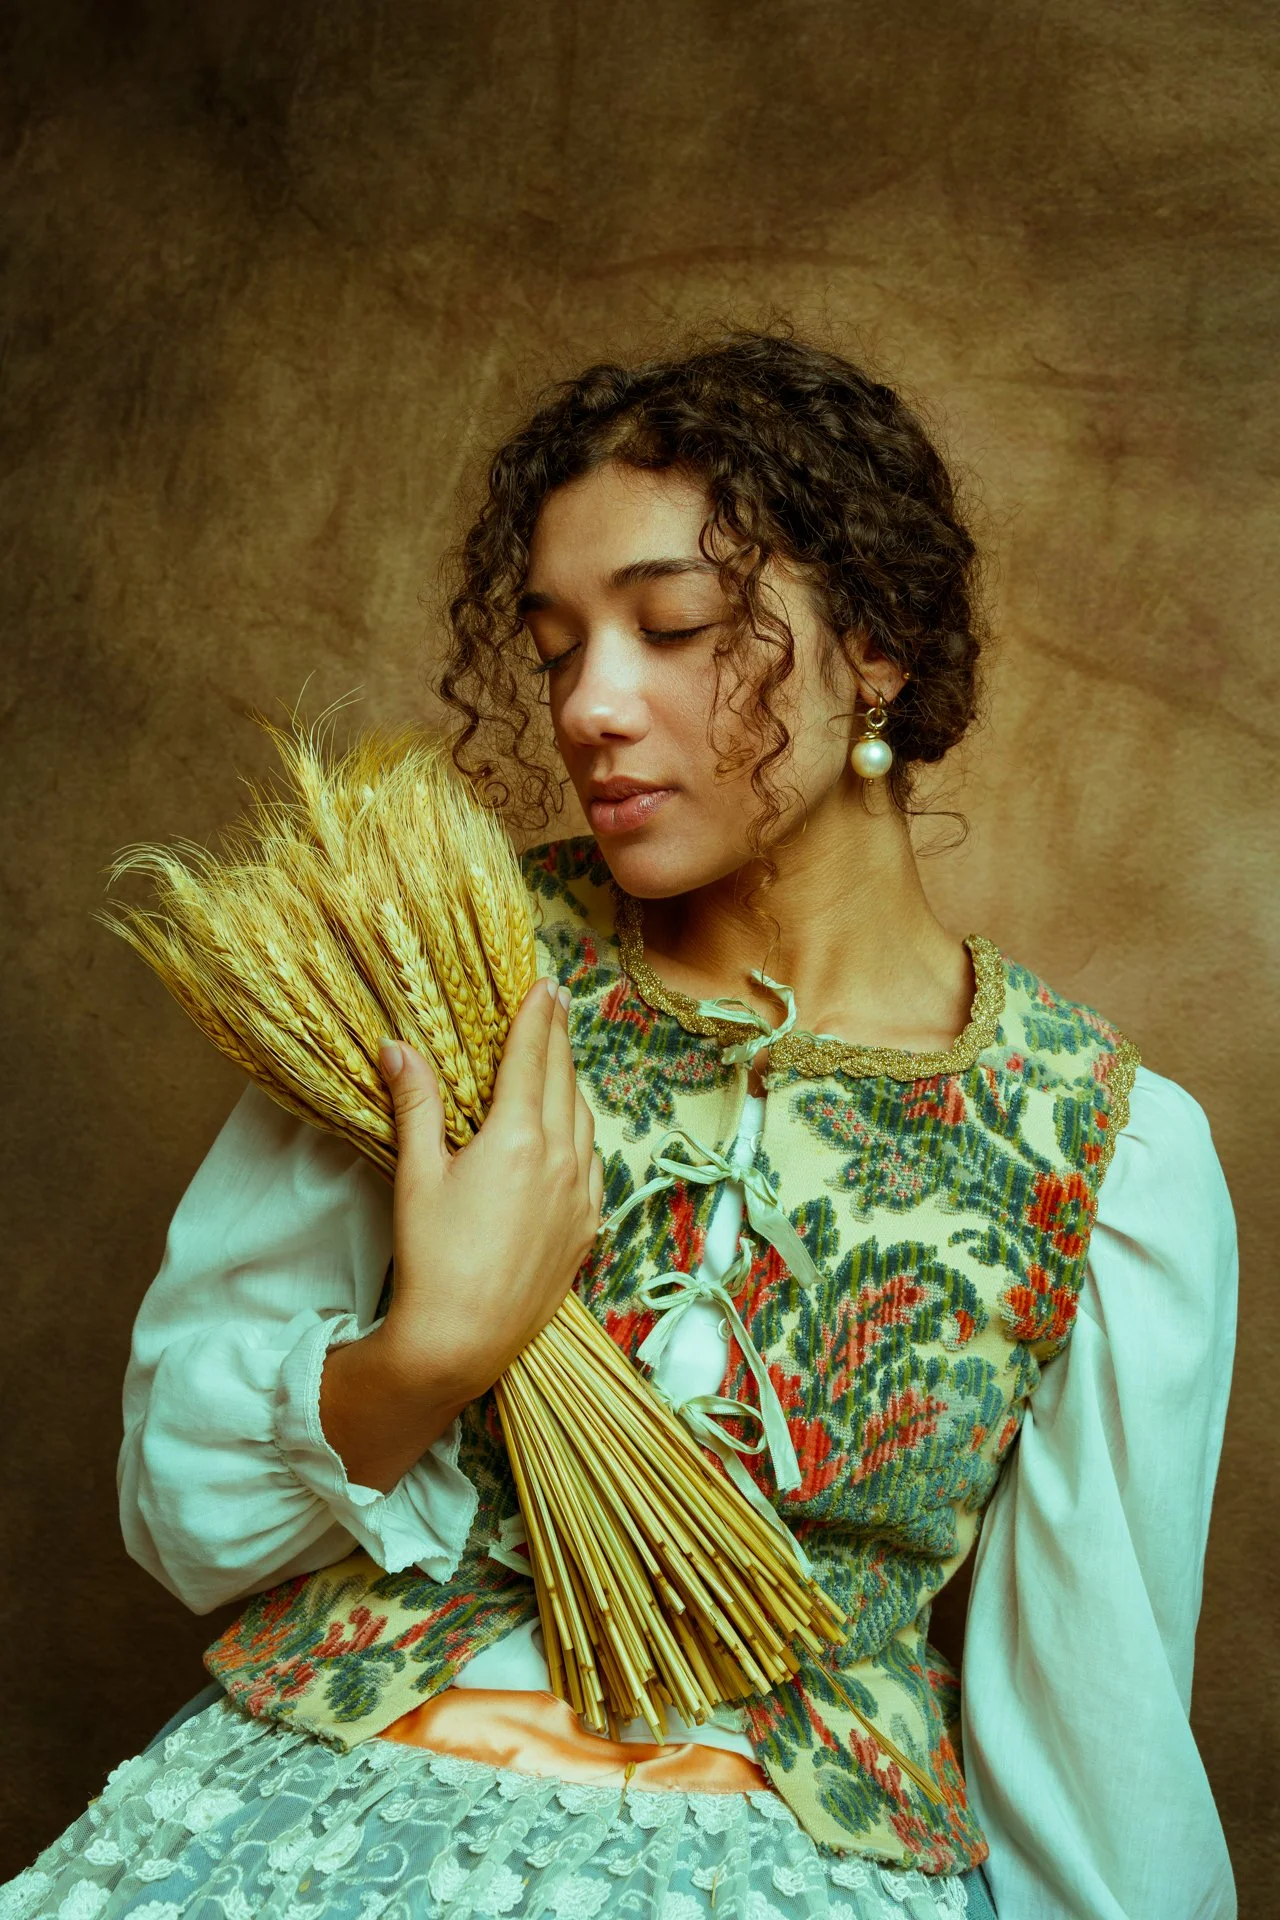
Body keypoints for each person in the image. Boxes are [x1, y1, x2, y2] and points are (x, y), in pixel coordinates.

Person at [1, 333, 1237, 1920]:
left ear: (876, 644)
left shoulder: (1100, 1148)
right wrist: (427, 1356)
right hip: (316, 1840)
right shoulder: (425, 974)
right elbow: (182, 1511)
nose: (591, 704)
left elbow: (1094, 1746)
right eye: (556, 643)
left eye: (674, 628)